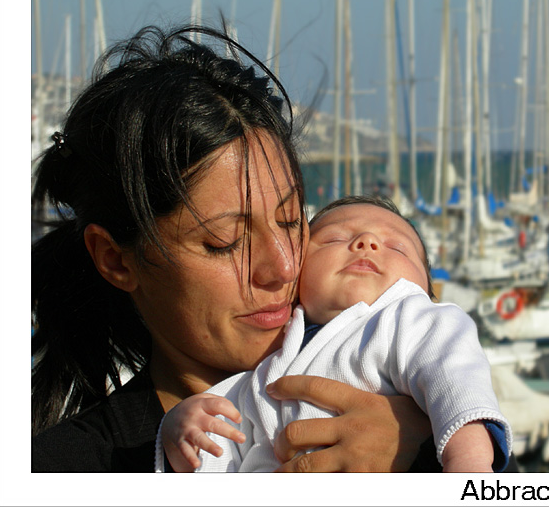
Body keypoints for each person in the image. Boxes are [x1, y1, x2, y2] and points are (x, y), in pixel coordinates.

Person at [30, 24, 433, 472]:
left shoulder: (429, 424)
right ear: (115, 259)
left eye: (290, 220)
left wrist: (423, 447)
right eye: (224, 242)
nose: (282, 267)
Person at [158, 195, 512, 472]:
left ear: (427, 289)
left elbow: (458, 383)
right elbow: (232, 435)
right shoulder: (277, 357)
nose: (367, 242)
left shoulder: (412, 319)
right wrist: (183, 430)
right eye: (335, 239)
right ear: (296, 274)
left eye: (397, 247)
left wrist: (467, 463)